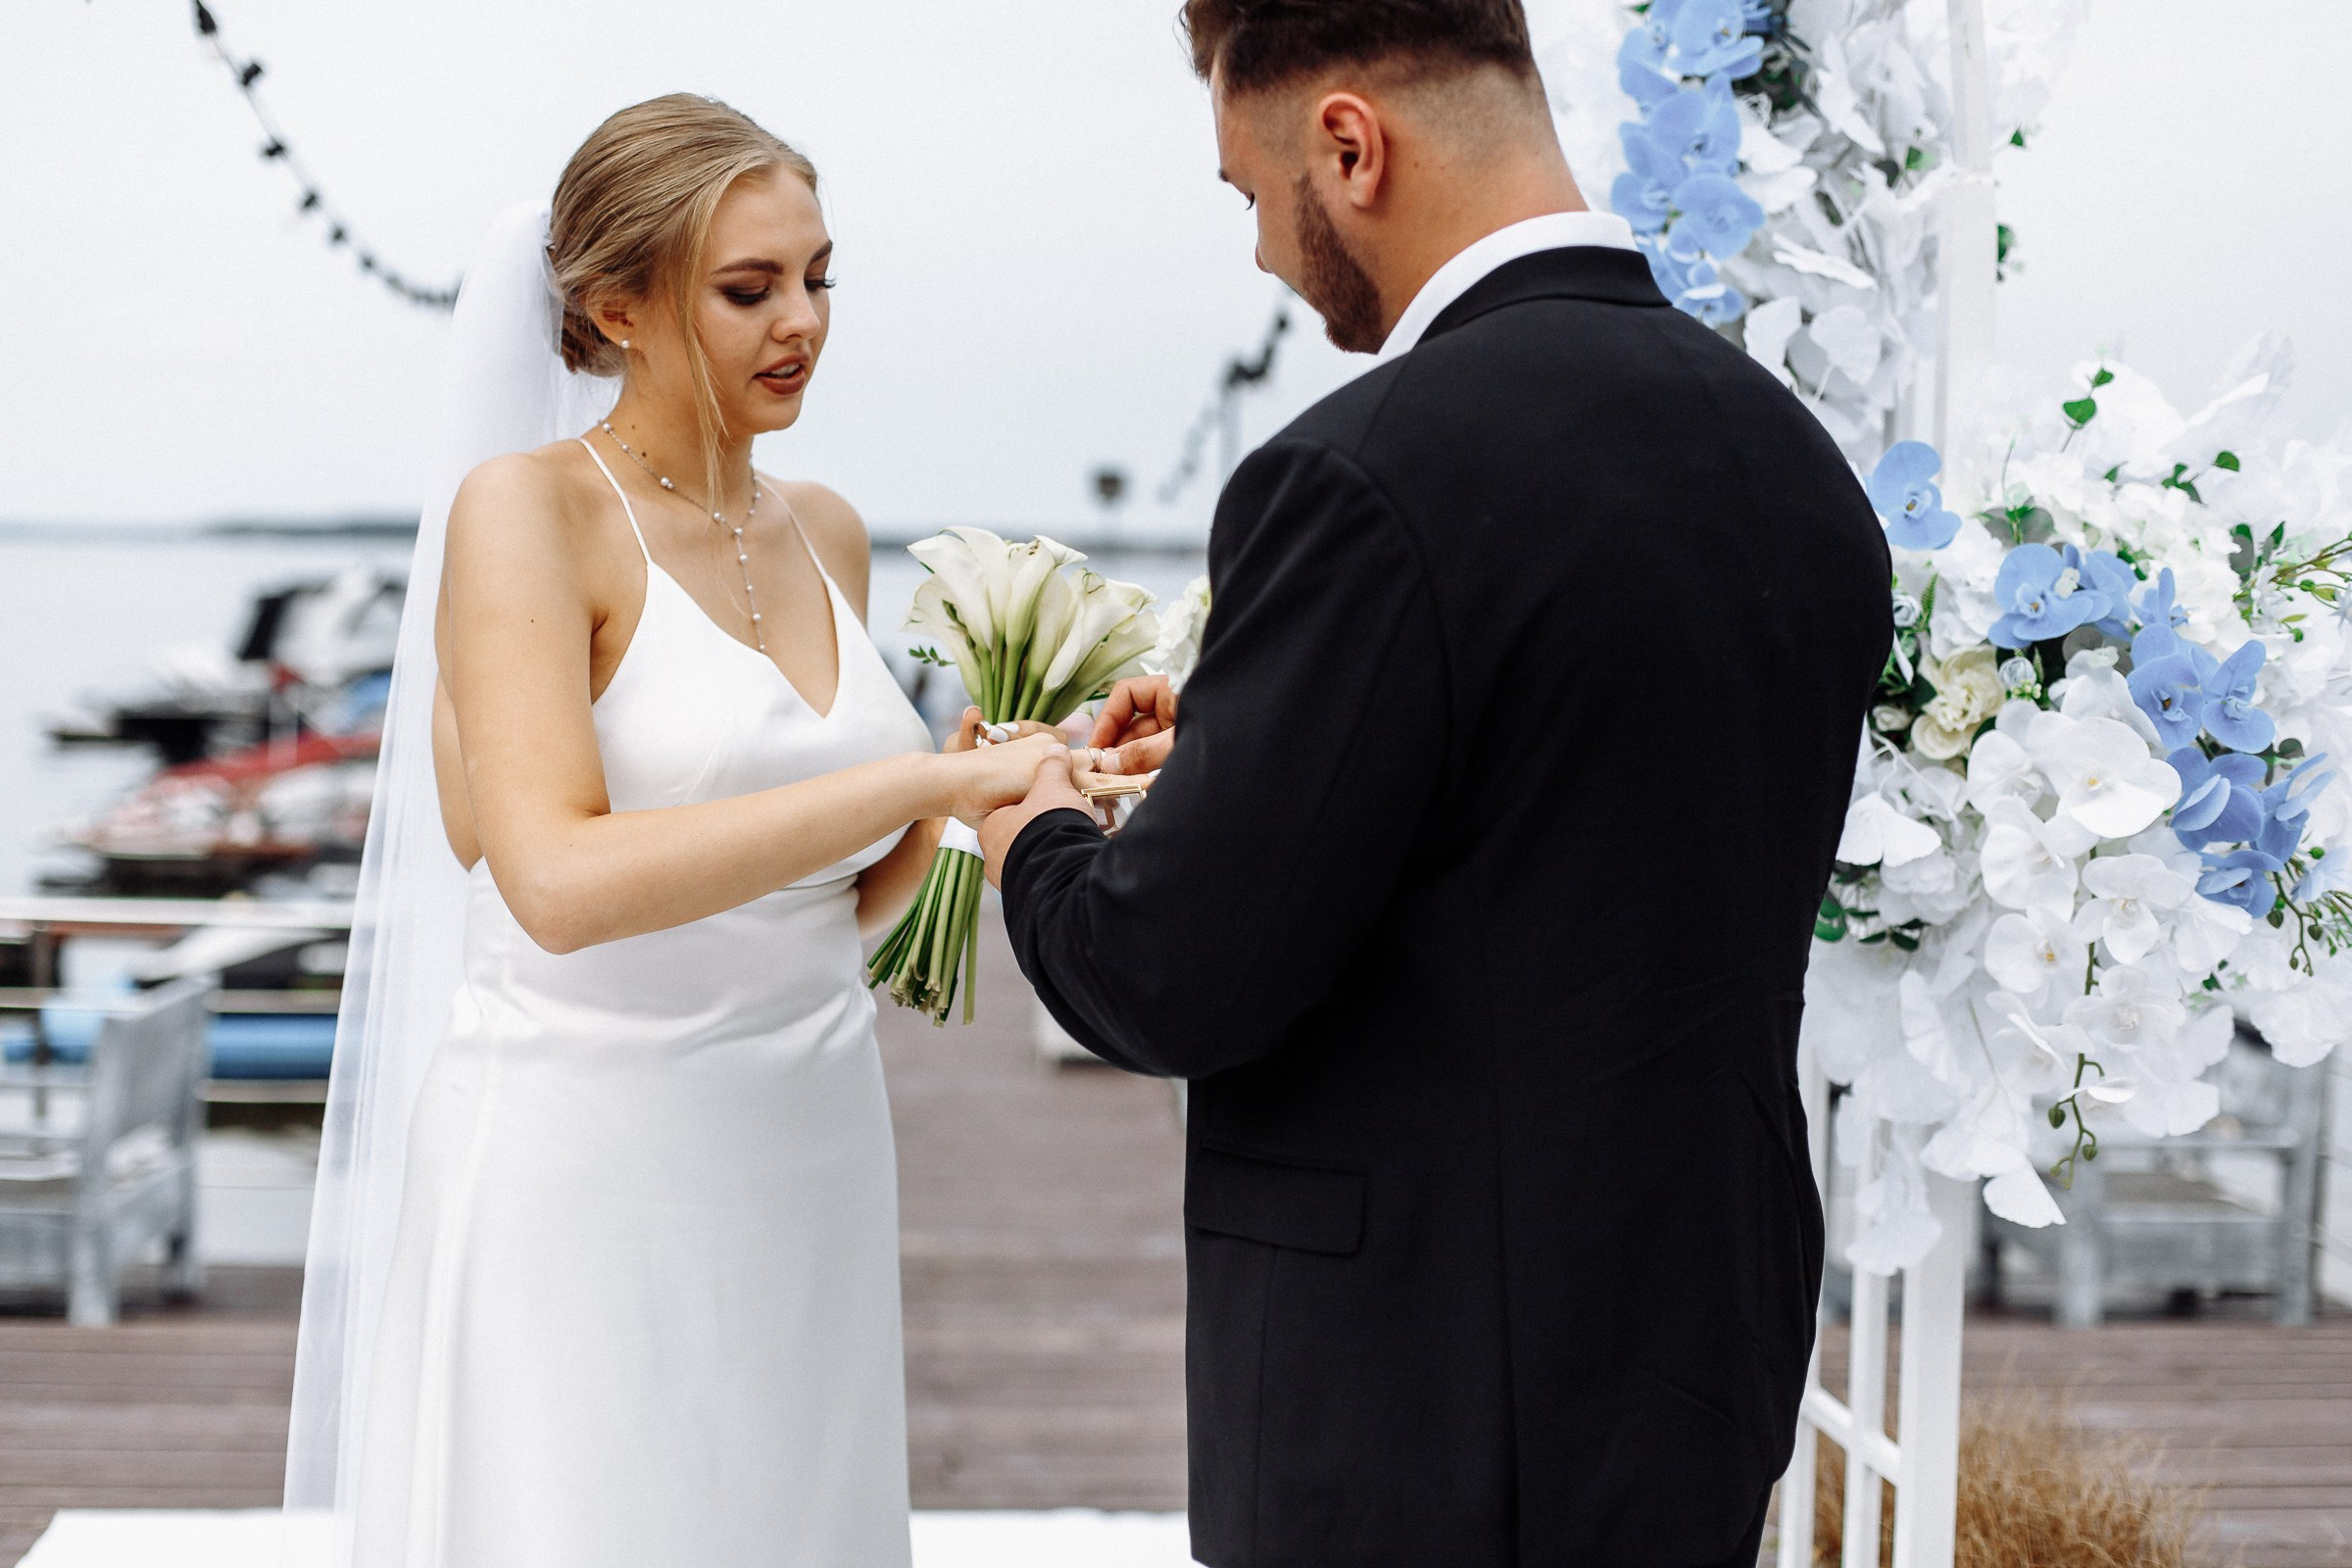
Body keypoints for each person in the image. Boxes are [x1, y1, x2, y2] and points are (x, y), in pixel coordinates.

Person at [980, 3, 1893, 1564]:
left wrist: (1035, 824)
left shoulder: (1358, 472)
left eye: (1248, 194)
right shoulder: (1788, 461)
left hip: (1424, 1400)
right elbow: (1573, 804)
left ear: (1349, 145)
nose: (1264, 250)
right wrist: (1244, 748)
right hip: (1696, 1352)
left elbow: (1170, 974)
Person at [283, 96, 1058, 1568]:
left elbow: (836, 913)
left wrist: (989, 779)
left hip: (810, 1152)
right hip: (588, 1167)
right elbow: (556, 881)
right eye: (749, 288)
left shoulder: (827, 528)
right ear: (615, 308)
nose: (803, 324)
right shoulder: (528, 515)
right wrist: (911, 788)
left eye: (820, 277)